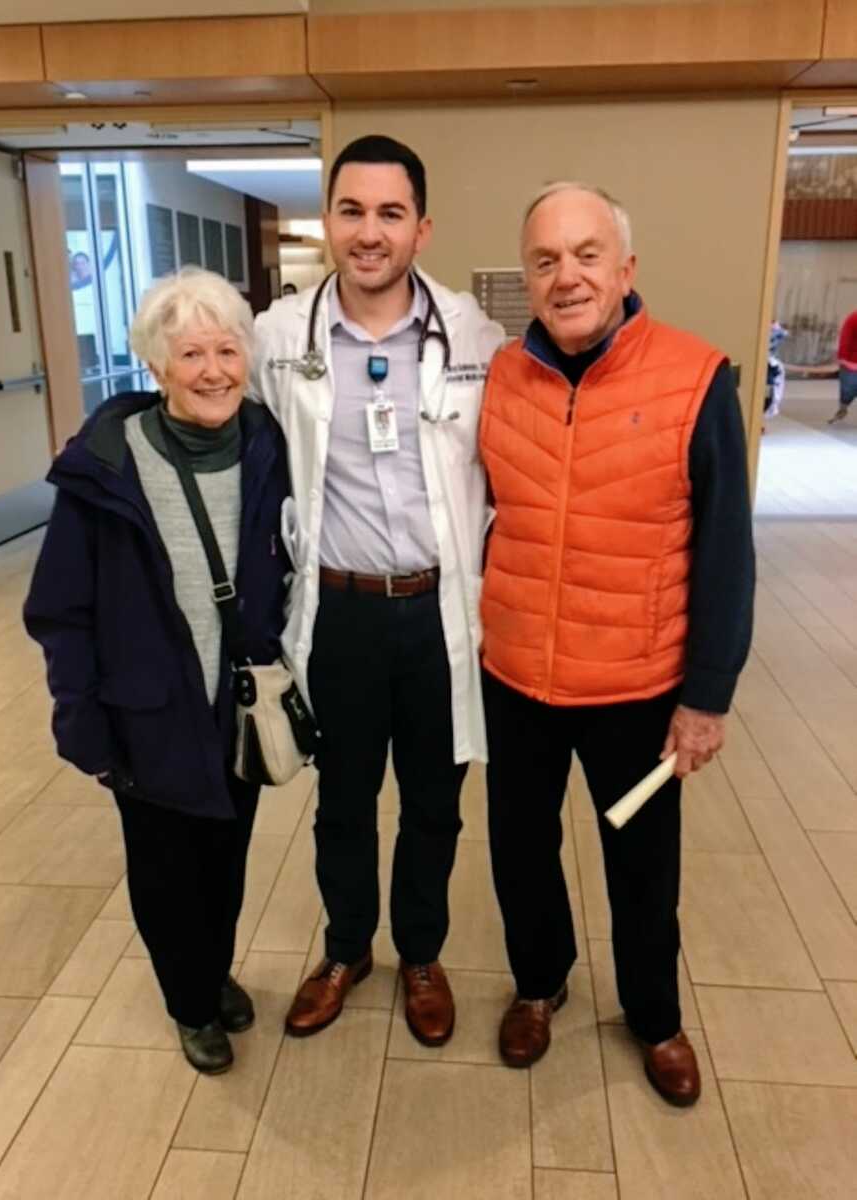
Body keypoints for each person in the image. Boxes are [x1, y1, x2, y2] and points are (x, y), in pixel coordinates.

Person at [479, 183, 754, 1106]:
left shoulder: (694, 378)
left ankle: (653, 1015)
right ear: (527, 277)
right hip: (516, 671)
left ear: (625, 269)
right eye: (546, 260)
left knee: (641, 867)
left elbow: (725, 550)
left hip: (636, 683)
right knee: (519, 849)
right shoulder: (498, 377)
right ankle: (540, 981)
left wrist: (706, 696)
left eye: (587, 255)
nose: (567, 277)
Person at [253, 135, 503, 1045]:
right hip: (340, 611)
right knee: (344, 801)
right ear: (329, 221)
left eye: (390, 213)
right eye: (352, 210)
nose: (369, 232)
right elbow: (225, 436)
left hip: (440, 614)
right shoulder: (278, 338)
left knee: (436, 802)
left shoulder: (473, 336)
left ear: (421, 227)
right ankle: (348, 947)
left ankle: (423, 953)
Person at [24, 267, 289, 1075]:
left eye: (226, 348)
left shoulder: (266, 442)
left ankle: (211, 970)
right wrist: (83, 721)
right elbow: (59, 608)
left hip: (234, 704)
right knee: (167, 869)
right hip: (143, 709)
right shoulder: (107, 466)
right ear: (156, 366)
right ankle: (189, 1001)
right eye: (190, 354)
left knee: (227, 855)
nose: (213, 370)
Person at [829, 308, 857, 423]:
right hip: (852, 363)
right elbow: (845, 339)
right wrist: (844, 360)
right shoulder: (854, 319)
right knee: (848, 390)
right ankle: (843, 408)